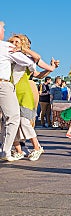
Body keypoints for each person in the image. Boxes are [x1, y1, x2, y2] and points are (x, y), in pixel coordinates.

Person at [7, 34, 58, 161]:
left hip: (24, 92)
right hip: (11, 92)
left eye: (17, 41)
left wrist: (51, 68)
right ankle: (18, 150)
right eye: (12, 41)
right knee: (12, 123)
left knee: (24, 121)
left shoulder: (27, 58)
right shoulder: (9, 55)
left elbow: (38, 69)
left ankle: (37, 147)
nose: (14, 43)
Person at [0, 21, 38, 161]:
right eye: (3, 28)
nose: (14, 44)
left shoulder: (11, 51)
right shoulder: (7, 50)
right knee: (12, 120)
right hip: (7, 88)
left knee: (20, 121)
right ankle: (11, 151)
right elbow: (31, 62)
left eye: (17, 42)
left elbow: (35, 66)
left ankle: (31, 147)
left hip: (21, 93)